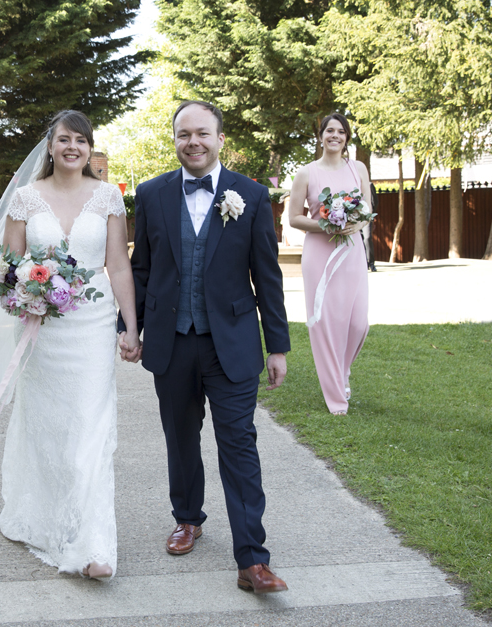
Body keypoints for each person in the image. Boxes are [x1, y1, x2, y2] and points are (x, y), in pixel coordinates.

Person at [0, 110, 138, 581]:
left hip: (91, 324)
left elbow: (119, 266)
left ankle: (93, 546)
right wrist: (25, 292)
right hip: (43, 327)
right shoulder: (27, 199)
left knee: (91, 428)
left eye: (81, 141)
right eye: (63, 139)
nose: (72, 147)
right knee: (47, 425)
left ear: (90, 149)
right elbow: (7, 266)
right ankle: (45, 516)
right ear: (49, 146)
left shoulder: (109, 197)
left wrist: (129, 326)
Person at [122, 100, 291, 594]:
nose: (192, 142)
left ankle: (252, 560)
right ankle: (188, 517)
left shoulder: (252, 196)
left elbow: (268, 275)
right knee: (180, 436)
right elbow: (141, 270)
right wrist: (128, 327)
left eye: (201, 133)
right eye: (183, 135)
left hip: (232, 344)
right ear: (174, 140)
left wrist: (276, 345)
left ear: (220, 139)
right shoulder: (151, 194)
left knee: (238, 443)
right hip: (172, 344)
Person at [287, 112, 372, 415]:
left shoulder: (358, 168)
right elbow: (294, 217)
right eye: (329, 131)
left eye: (340, 131)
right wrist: (326, 225)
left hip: (351, 253)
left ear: (347, 138)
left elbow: (367, 210)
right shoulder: (306, 173)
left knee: (358, 323)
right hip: (319, 255)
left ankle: (342, 371)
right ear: (320, 136)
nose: (334, 136)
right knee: (325, 323)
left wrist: (354, 223)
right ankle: (336, 397)